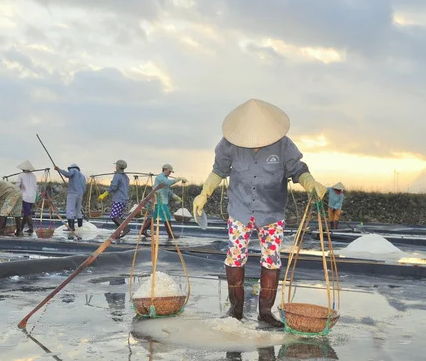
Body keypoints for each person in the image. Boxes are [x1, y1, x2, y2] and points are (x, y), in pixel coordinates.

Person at [192, 99, 327, 327]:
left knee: (272, 259)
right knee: (235, 256)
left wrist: (310, 183)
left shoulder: (283, 145)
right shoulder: (229, 144)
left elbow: (298, 169)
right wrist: (204, 193)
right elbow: (218, 171)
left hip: (271, 212)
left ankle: (265, 313)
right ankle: (235, 310)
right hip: (240, 210)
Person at [140, 164, 187, 239]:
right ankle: (171, 234)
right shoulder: (160, 177)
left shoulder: (165, 178)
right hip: (159, 201)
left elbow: (167, 190)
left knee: (153, 217)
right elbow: (168, 183)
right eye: (169, 171)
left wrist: (175, 197)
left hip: (158, 201)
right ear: (165, 169)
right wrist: (178, 179)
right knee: (166, 216)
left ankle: (143, 230)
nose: (170, 173)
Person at [98, 160, 130, 238]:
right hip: (124, 198)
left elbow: (113, 187)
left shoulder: (118, 176)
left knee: (114, 216)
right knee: (118, 216)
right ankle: (117, 233)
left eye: (116, 166)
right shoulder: (126, 177)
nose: (115, 167)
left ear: (118, 167)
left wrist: (104, 194)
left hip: (119, 198)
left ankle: (125, 229)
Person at [54, 163, 86, 232]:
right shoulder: (82, 176)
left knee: (70, 210)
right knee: (78, 210)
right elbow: (84, 187)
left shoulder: (73, 170)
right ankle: (80, 227)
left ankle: (71, 227)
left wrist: (59, 170)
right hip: (80, 194)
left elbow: (68, 174)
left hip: (73, 193)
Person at [15, 160, 38, 234]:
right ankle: (22, 227)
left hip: (25, 196)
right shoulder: (33, 175)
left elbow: (17, 186)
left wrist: (15, 193)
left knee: (27, 212)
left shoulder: (21, 175)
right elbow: (35, 186)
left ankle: (31, 227)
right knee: (26, 212)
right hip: (32, 196)